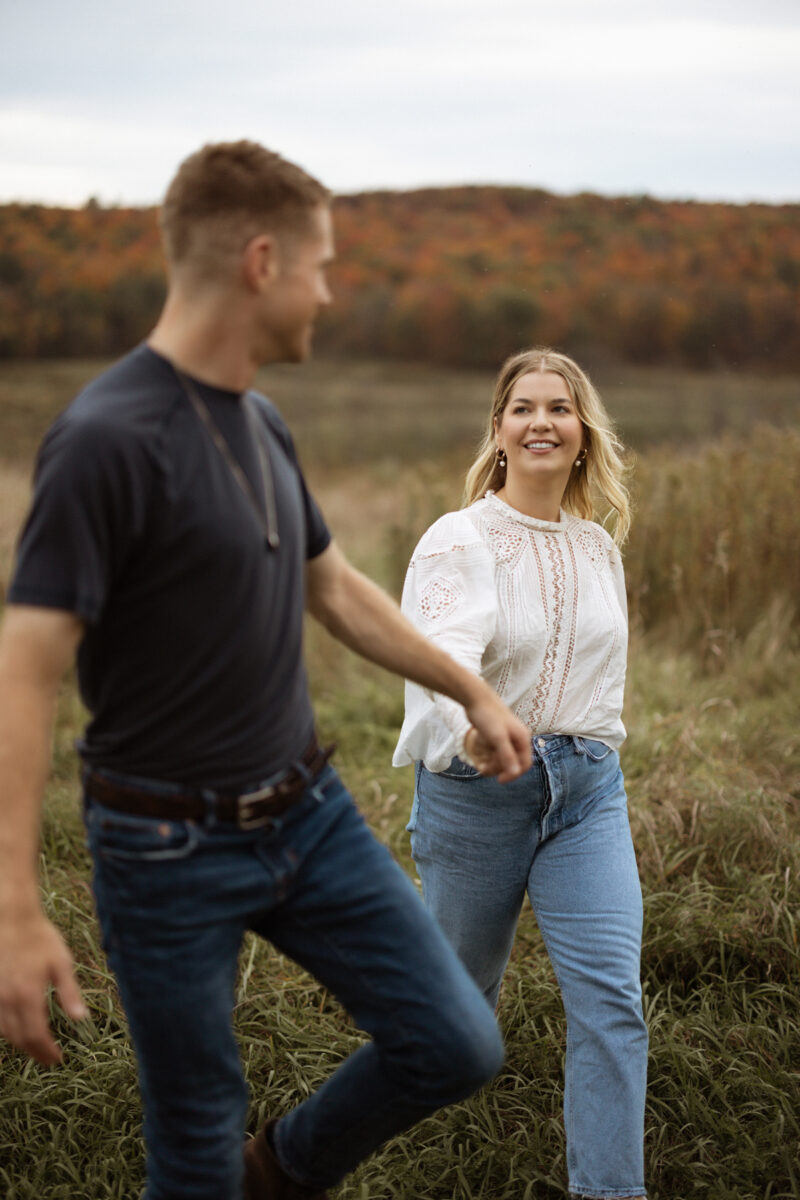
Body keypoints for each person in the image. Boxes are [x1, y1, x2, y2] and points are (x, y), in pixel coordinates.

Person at [0, 141, 534, 1200]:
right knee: (191, 1147)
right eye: (319, 265)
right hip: (164, 850)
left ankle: (282, 1173)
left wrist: (469, 689)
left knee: (456, 1043)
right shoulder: (104, 439)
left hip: (308, 814)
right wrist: (14, 908)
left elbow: (334, 591)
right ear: (259, 261)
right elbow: (24, 675)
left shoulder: (262, 420)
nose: (327, 292)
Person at [393, 347, 648, 1200]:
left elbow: (603, 677)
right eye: (524, 408)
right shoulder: (459, 539)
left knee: (613, 999)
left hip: (586, 795)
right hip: (481, 794)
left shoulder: (598, 547)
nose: (542, 421)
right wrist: (478, 725)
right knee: (459, 1014)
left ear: (583, 435)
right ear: (499, 432)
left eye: (561, 408)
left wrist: (593, 753)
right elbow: (438, 660)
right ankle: (404, 1147)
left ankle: (609, 1190)